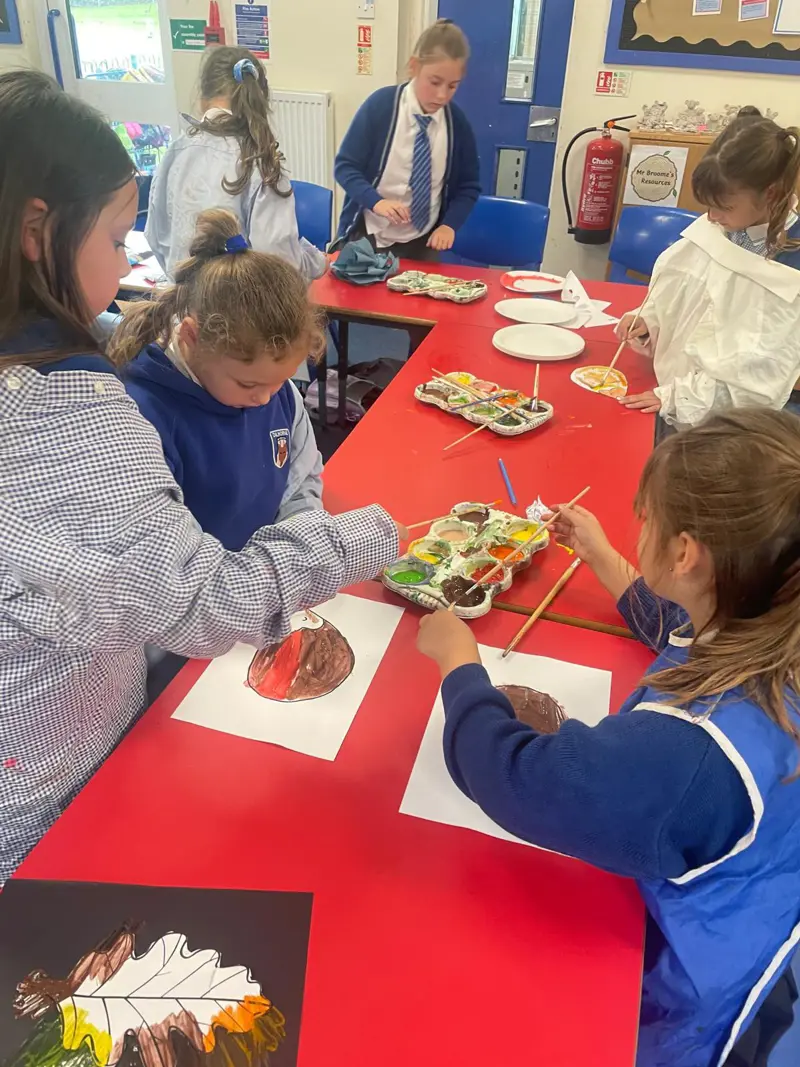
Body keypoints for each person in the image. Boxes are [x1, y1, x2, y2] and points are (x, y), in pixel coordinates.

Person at [0, 70, 401, 885]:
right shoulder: (65, 416)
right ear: (38, 230)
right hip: (49, 803)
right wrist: (367, 536)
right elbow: (203, 601)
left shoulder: (54, 366)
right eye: (116, 241)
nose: (122, 268)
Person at [416, 409, 800, 1067]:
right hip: (757, 903)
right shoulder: (766, 617)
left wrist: (459, 665)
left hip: (684, 991)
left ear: (686, 554)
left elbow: (514, 777)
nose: (636, 526)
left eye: (643, 517)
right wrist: (603, 556)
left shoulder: (692, 756)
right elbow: (683, 626)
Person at [117, 209, 323, 552]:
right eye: (248, 385)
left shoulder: (278, 392)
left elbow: (301, 485)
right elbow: (171, 561)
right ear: (193, 337)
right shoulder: (143, 416)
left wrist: (302, 549)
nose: (265, 399)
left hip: (269, 583)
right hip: (205, 593)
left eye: (279, 382)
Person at [616, 108, 800, 433]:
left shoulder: (789, 265)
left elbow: (758, 376)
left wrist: (680, 399)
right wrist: (650, 324)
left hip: (736, 424)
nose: (711, 217)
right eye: (708, 206)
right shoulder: (723, 224)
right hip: (675, 391)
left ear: (770, 193)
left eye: (723, 207)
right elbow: (685, 300)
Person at [145, 46, 326, 281]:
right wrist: (314, 262)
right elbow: (280, 265)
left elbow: (156, 237)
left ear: (202, 100)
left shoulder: (175, 152)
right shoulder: (259, 161)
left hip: (182, 306)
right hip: (241, 311)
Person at [334, 18, 480, 260]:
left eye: (453, 86)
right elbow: (345, 167)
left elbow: (469, 186)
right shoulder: (380, 107)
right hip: (368, 237)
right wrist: (376, 202)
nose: (442, 95)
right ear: (414, 67)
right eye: (434, 82)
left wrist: (449, 225)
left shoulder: (457, 124)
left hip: (421, 243)